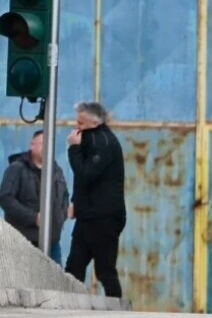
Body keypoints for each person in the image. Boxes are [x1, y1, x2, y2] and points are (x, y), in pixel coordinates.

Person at [65, 102, 127, 299]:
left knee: (105, 270)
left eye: (80, 123)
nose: (76, 127)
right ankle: (67, 310)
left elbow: (86, 174)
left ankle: (118, 312)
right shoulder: (90, 138)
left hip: (104, 217)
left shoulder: (102, 142)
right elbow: (83, 182)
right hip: (88, 215)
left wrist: (73, 149)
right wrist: (77, 202)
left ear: (93, 122)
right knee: (73, 268)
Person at [0, 130, 70, 265]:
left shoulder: (56, 170)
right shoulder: (17, 168)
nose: (47, 147)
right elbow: (5, 198)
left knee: (54, 284)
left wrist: (62, 216)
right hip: (23, 243)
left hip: (52, 243)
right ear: (32, 145)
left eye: (50, 143)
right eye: (43, 143)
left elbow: (64, 196)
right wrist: (33, 218)